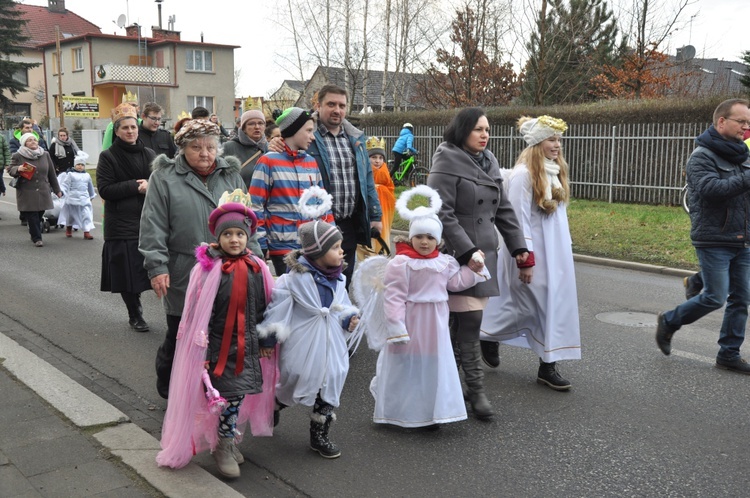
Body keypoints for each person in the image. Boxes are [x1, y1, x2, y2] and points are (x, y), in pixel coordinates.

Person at [139, 119, 262, 399]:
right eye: (196, 147)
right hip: (184, 268)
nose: (205, 153)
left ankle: (212, 390)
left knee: (218, 334)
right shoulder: (165, 177)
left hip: (228, 270)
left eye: (210, 147)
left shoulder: (231, 174)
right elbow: (152, 225)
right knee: (180, 333)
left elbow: (248, 221)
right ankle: (170, 388)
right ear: (182, 148)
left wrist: (257, 259)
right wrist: (157, 266)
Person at [156, 199, 277, 478]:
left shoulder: (257, 266)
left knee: (238, 395)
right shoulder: (209, 269)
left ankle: (227, 439)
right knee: (228, 397)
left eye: (239, 234)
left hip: (247, 346)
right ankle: (222, 445)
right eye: (227, 234)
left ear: (248, 236)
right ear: (218, 237)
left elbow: (266, 305)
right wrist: (204, 354)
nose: (234, 239)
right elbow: (199, 313)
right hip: (219, 348)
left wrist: (266, 341)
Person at [427, 107, 528, 420]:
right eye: (478, 130)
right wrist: (467, 251)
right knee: (469, 323)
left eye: (487, 129)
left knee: (462, 323)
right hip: (459, 254)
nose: (485, 135)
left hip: (486, 253)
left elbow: (504, 208)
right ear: (462, 131)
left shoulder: (490, 161)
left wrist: (520, 248)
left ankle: (446, 386)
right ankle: (474, 389)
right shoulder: (446, 160)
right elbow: (442, 213)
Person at [369, 186, 488, 428]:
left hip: (435, 324)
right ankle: (401, 412)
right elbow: (394, 297)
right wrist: (396, 327)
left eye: (430, 237)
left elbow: (455, 283)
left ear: (438, 240)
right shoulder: (401, 263)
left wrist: (473, 270)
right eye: (420, 236)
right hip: (411, 322)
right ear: (411, 237)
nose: (424, 242)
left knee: (431, 365)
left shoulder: (444, 262)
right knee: (408, 365)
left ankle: (429, 412)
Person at [479, 115, 581, 390]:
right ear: (537, 143)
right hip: (531, 255)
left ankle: (546, 365)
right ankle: (487, 335)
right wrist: (525, 257)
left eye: (559, 139)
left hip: (555, 255)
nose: (557, 145)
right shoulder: (524, 175)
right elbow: (517, 219)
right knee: (528, 304)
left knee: (551, 305)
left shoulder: (556, 171)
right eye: (551, 139)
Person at [655, 98, 750, 374]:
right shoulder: (701, 156)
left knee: (742, 298)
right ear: (722, 122)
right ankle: (670, 321)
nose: (746, 128)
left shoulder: (743, 155)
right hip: (714, 238)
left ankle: (729, 354)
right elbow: (711, 190)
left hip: (742, 238)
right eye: (741, 122)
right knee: (714, 297)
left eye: (748, 123)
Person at [258, 215, 359, 459]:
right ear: (317, 252)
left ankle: (320, 433)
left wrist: (348, 319)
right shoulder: (293, 280)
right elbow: (278, 309)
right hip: (302, 341)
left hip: (331, 341)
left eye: (340, 246)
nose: (341, 252)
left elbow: (341, 305)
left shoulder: (339, 278)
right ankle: (276, 402)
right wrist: (269, 339)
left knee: (333, 377)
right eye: (335, 248)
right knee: (295, 376)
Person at [305, 84, 382, 288]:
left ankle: (340, 319)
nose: (337, 110)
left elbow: (367, 181)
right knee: (314, 282)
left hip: (347, 224)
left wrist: (375, 216)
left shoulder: (355, 139)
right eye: (331, 104)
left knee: (343, 279)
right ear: (318, 105)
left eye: (342, 105)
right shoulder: (307, 135)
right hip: (317, 223)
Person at [250, 107, 333, 276]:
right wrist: (260, 242)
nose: (312, 136)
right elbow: (255, 204)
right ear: (293, 130)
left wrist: (331, 234)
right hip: (281, 245)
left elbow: (322, 203)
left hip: (310, 244)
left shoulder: (311, 162)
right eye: (309, 131)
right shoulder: (268, 161)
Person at [97, 103, 156, 333]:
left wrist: (151, 185)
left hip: (147, 219)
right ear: (117, 131)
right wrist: (135, 186)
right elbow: (105, 189)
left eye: (133, 127)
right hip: (120, 222)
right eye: (125, 128)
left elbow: (160, 182)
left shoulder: (149, 154)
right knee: (128, 273)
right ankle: (135, 313)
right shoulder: (108, 156)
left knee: (146, 269)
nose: (131, 131)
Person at [7, 133, 62, 246]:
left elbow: (51, 174)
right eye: (29, 140)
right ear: (24, 143)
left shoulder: (45, 154)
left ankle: (33, 231)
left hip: (43, 189)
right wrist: (19, 168)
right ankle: (37, 238)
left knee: (39, 213)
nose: (33, 142)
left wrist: (57, 190)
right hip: (27, 190)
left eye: (34, 140)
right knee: (32, 215)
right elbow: (10, 169)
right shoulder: (18, 155)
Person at [357, 136, 395, 260]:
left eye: (380, 158)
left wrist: (380, 189)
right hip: (368, 214)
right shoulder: (363, 172)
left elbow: (391, 190)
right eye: (373, 157)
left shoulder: (385, 173)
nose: (377, 161)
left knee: (381, 239)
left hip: (383, 214)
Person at [223, 109, 268, 188]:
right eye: (251, 124)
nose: (257, 127)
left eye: (260, 123)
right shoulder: (228, 147)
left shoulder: (271, 148)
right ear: (243, 128)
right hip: (238, 198)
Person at [60, 152, 96, 239]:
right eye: (78, 164)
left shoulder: (87, 175)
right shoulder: (70, 174)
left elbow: (90, 186)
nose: (80, 166)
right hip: (72, 198)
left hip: (84, 199)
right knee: (71, 216)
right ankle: (69, 227)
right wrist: (62, 192)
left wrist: (91, 195)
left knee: (86, 214)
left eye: (82, 165)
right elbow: (65, 185)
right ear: (75, 165)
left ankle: (86, 231)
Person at [0, 129, 9, 199]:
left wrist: (7, 163)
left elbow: (6, 151)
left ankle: (2, 189)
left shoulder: (1, 138)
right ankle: (3, 189)